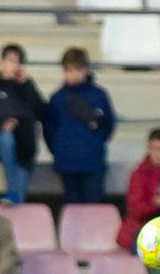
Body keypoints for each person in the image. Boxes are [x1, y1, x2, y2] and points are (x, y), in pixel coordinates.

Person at [0, 44, 47, 206]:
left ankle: (13, 195)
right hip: (1, 141)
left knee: (16, 203)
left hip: (25, 147)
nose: (14, 65)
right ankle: (11, 190)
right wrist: (2, 125)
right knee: (6, 139)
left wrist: (28, 85)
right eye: (10, 61)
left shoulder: (27, 88)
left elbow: (42, 112)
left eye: (18, 62)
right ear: (0, 62)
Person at [43, 46, 115, 206]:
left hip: (92, 161)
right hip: (67, 162)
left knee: (93, 209)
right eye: (69, 70)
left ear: (86, 69)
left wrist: (95, 144)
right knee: (72, 210)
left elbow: (108, 124)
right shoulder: (57, 98)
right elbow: (49, 128)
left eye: (78, 69)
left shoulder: (99, 95)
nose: (74, 74)